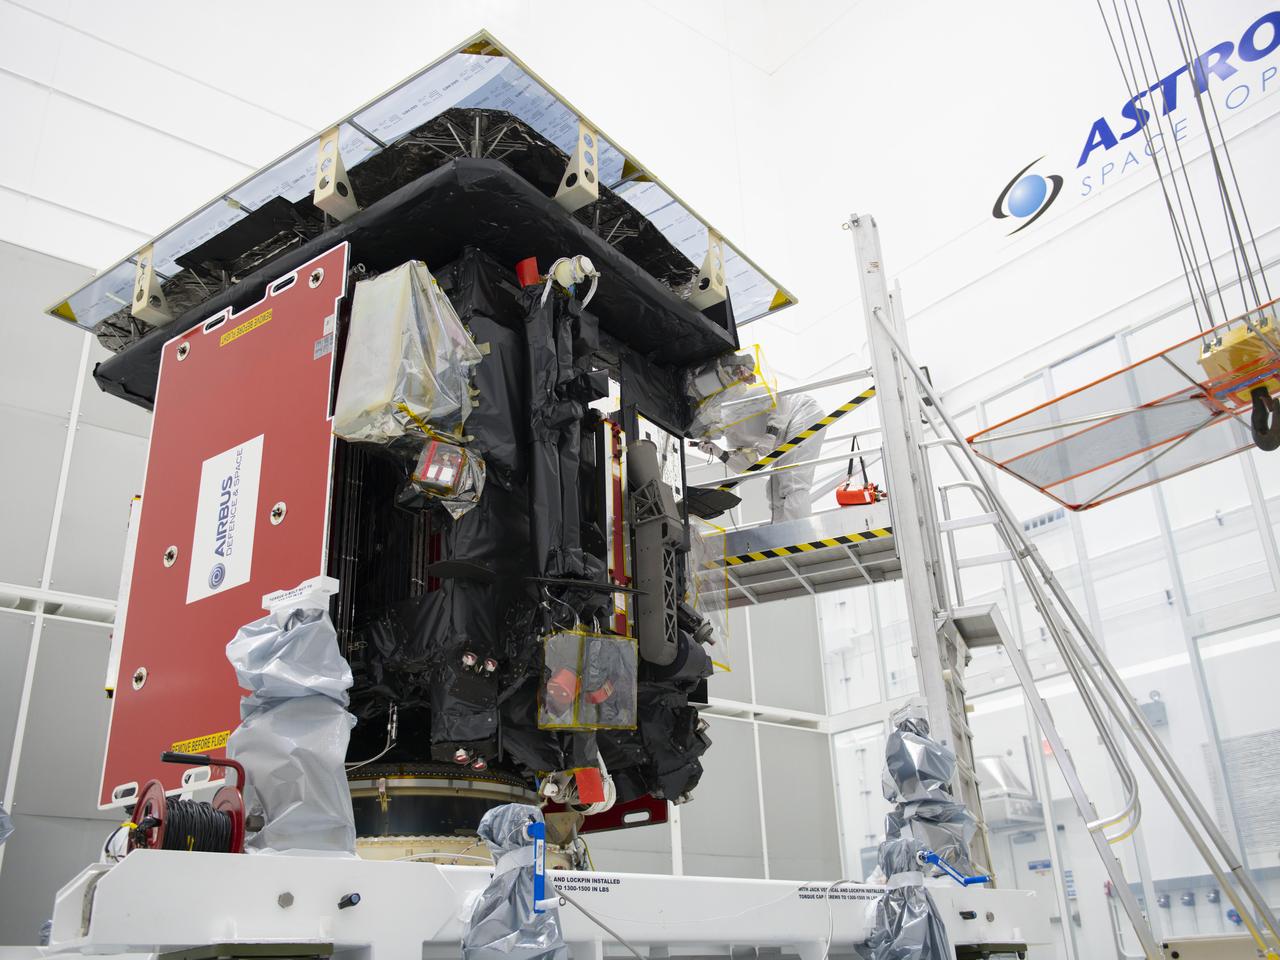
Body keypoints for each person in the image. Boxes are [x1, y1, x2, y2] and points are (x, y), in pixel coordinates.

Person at [698, 390, 827, 523]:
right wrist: (719, 452)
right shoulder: (732, 435)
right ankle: (782, 533)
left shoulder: (732, 405)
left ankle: (799, 534)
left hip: (801, 412)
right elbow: (748, 466)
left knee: (792, 480)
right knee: (774, 490)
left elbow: (775, 400)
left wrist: (770, 435)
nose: (704, 435)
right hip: (784, 435)